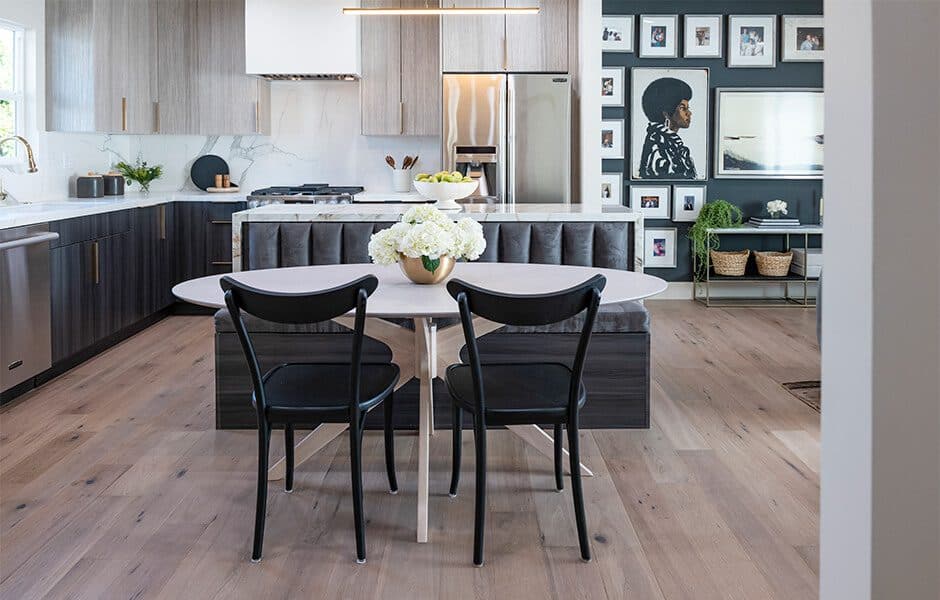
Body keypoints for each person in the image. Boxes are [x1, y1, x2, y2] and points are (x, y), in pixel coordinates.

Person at [638, 77, 698, 179]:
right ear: (666, 113)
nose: (689, 113)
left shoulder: (673, 143)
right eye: (683, 108)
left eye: (688, 108)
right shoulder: (658, 142)